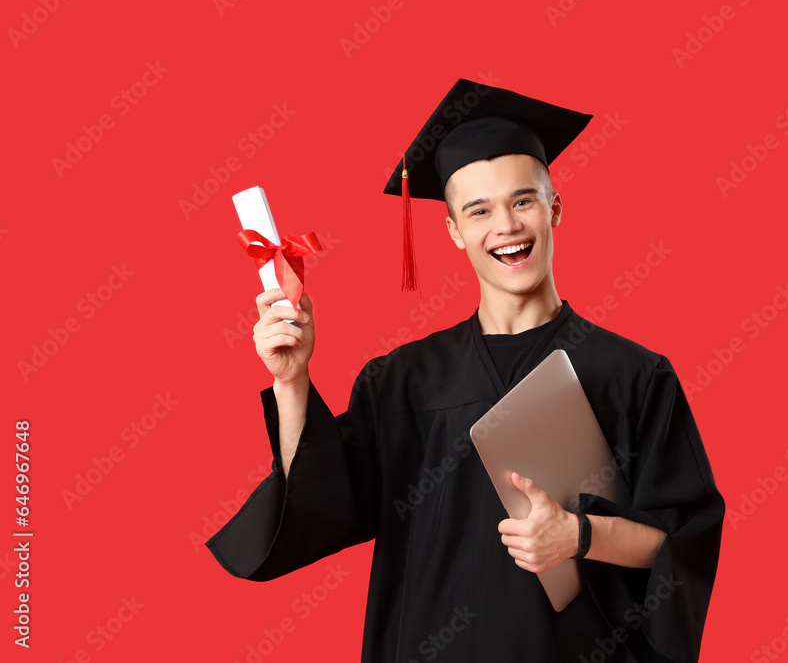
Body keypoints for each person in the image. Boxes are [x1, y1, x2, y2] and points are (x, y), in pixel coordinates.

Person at [207, 79, 725, 663]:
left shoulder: (632, 375)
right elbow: (322, 504)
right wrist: (293, 381)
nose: (504, 225)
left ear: (554, 207)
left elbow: (681, 542)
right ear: (454, 230)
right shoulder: (401, 381)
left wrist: (579, 535)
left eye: (522, 200)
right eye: (478, 210)